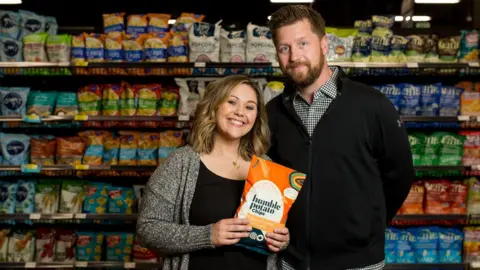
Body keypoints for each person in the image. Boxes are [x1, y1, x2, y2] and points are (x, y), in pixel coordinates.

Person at [266, 5, 415, 270]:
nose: (294, 56)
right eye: (284, 48)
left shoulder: (372, 105)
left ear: (324, 45)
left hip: (358, 262)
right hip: (293, 261)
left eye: (303, 43)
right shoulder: (273, 112)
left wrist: (367, 224)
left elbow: (400, 174)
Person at [137, 75, 290, 270]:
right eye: (232, 102)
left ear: (256, 117)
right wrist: (208, 235)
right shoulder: (181, 163)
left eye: (250, 107)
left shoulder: (267, 167)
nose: (240, 112)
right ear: (214, 106)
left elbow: (273, 233)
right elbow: (147, 229)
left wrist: (281, 240)